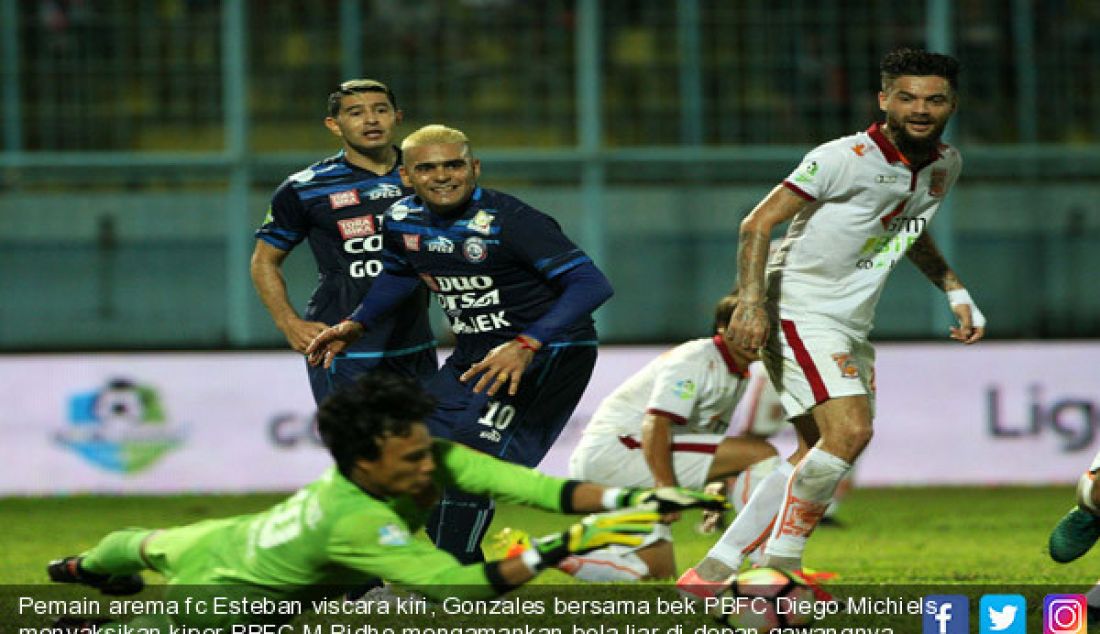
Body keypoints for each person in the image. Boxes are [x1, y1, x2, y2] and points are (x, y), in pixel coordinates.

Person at [46, 372, 725, 632]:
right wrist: (564, 546)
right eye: (411, 462)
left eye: (429, 452)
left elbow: (542, 489)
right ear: (363, 464)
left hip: (237, 533)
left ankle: (83, 568)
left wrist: (644, 494)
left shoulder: (430, 455)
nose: (431, 469)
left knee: (142, 543)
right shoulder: (358, 521)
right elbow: (457, 591)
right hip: (232, 594)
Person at [678, 47, 987, 597]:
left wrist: (954, 288)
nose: (921, 109)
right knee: (850, 432)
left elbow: (906, 230)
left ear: (952, 105)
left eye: (934, 99)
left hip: (850, 321)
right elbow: (757, 223)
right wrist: (750, 302)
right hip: (798, 306)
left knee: (814, 451)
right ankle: (781, 572)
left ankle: (713, 572)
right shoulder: (842, 157)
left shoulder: (945, 164)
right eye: (907, 97)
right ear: (884, 99)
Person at [306, 124, 614, 564]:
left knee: (469, 463)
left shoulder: (512, 220)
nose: (443, 175)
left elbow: (590, 284)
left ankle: (455, 580)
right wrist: (357, 323)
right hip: (474, 354)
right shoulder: (399, 220)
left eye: (453, 164)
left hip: (549, 351)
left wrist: (527, 343)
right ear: (406, 178)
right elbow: (398, 273)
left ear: (474, 168)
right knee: (408, 452)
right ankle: (457, 573)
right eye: (426, 167)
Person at [564, 294, 779, 580]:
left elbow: (703, 440)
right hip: (619, 453)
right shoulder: (695, 359)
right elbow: (656, 423)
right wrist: (666, 488)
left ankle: (548, 554)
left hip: (618, 460)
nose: (756, 337)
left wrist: (712, 487)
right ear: (722, 328)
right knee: (761, 454)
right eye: (747, 327)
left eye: (763, 329)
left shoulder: (738, 373)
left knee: (654, 573)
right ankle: (765, 565)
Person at [251, 79, 436, 404]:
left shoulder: (429, 175)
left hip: (415, 343)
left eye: (381, 110)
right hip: (342, 346)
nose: (371, 120)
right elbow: (264, 260)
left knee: (420, 450)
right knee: (359, 450)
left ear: (398, 117)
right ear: (334, 125)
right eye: (355, 113)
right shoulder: (306, 188)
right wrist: (288, 323)